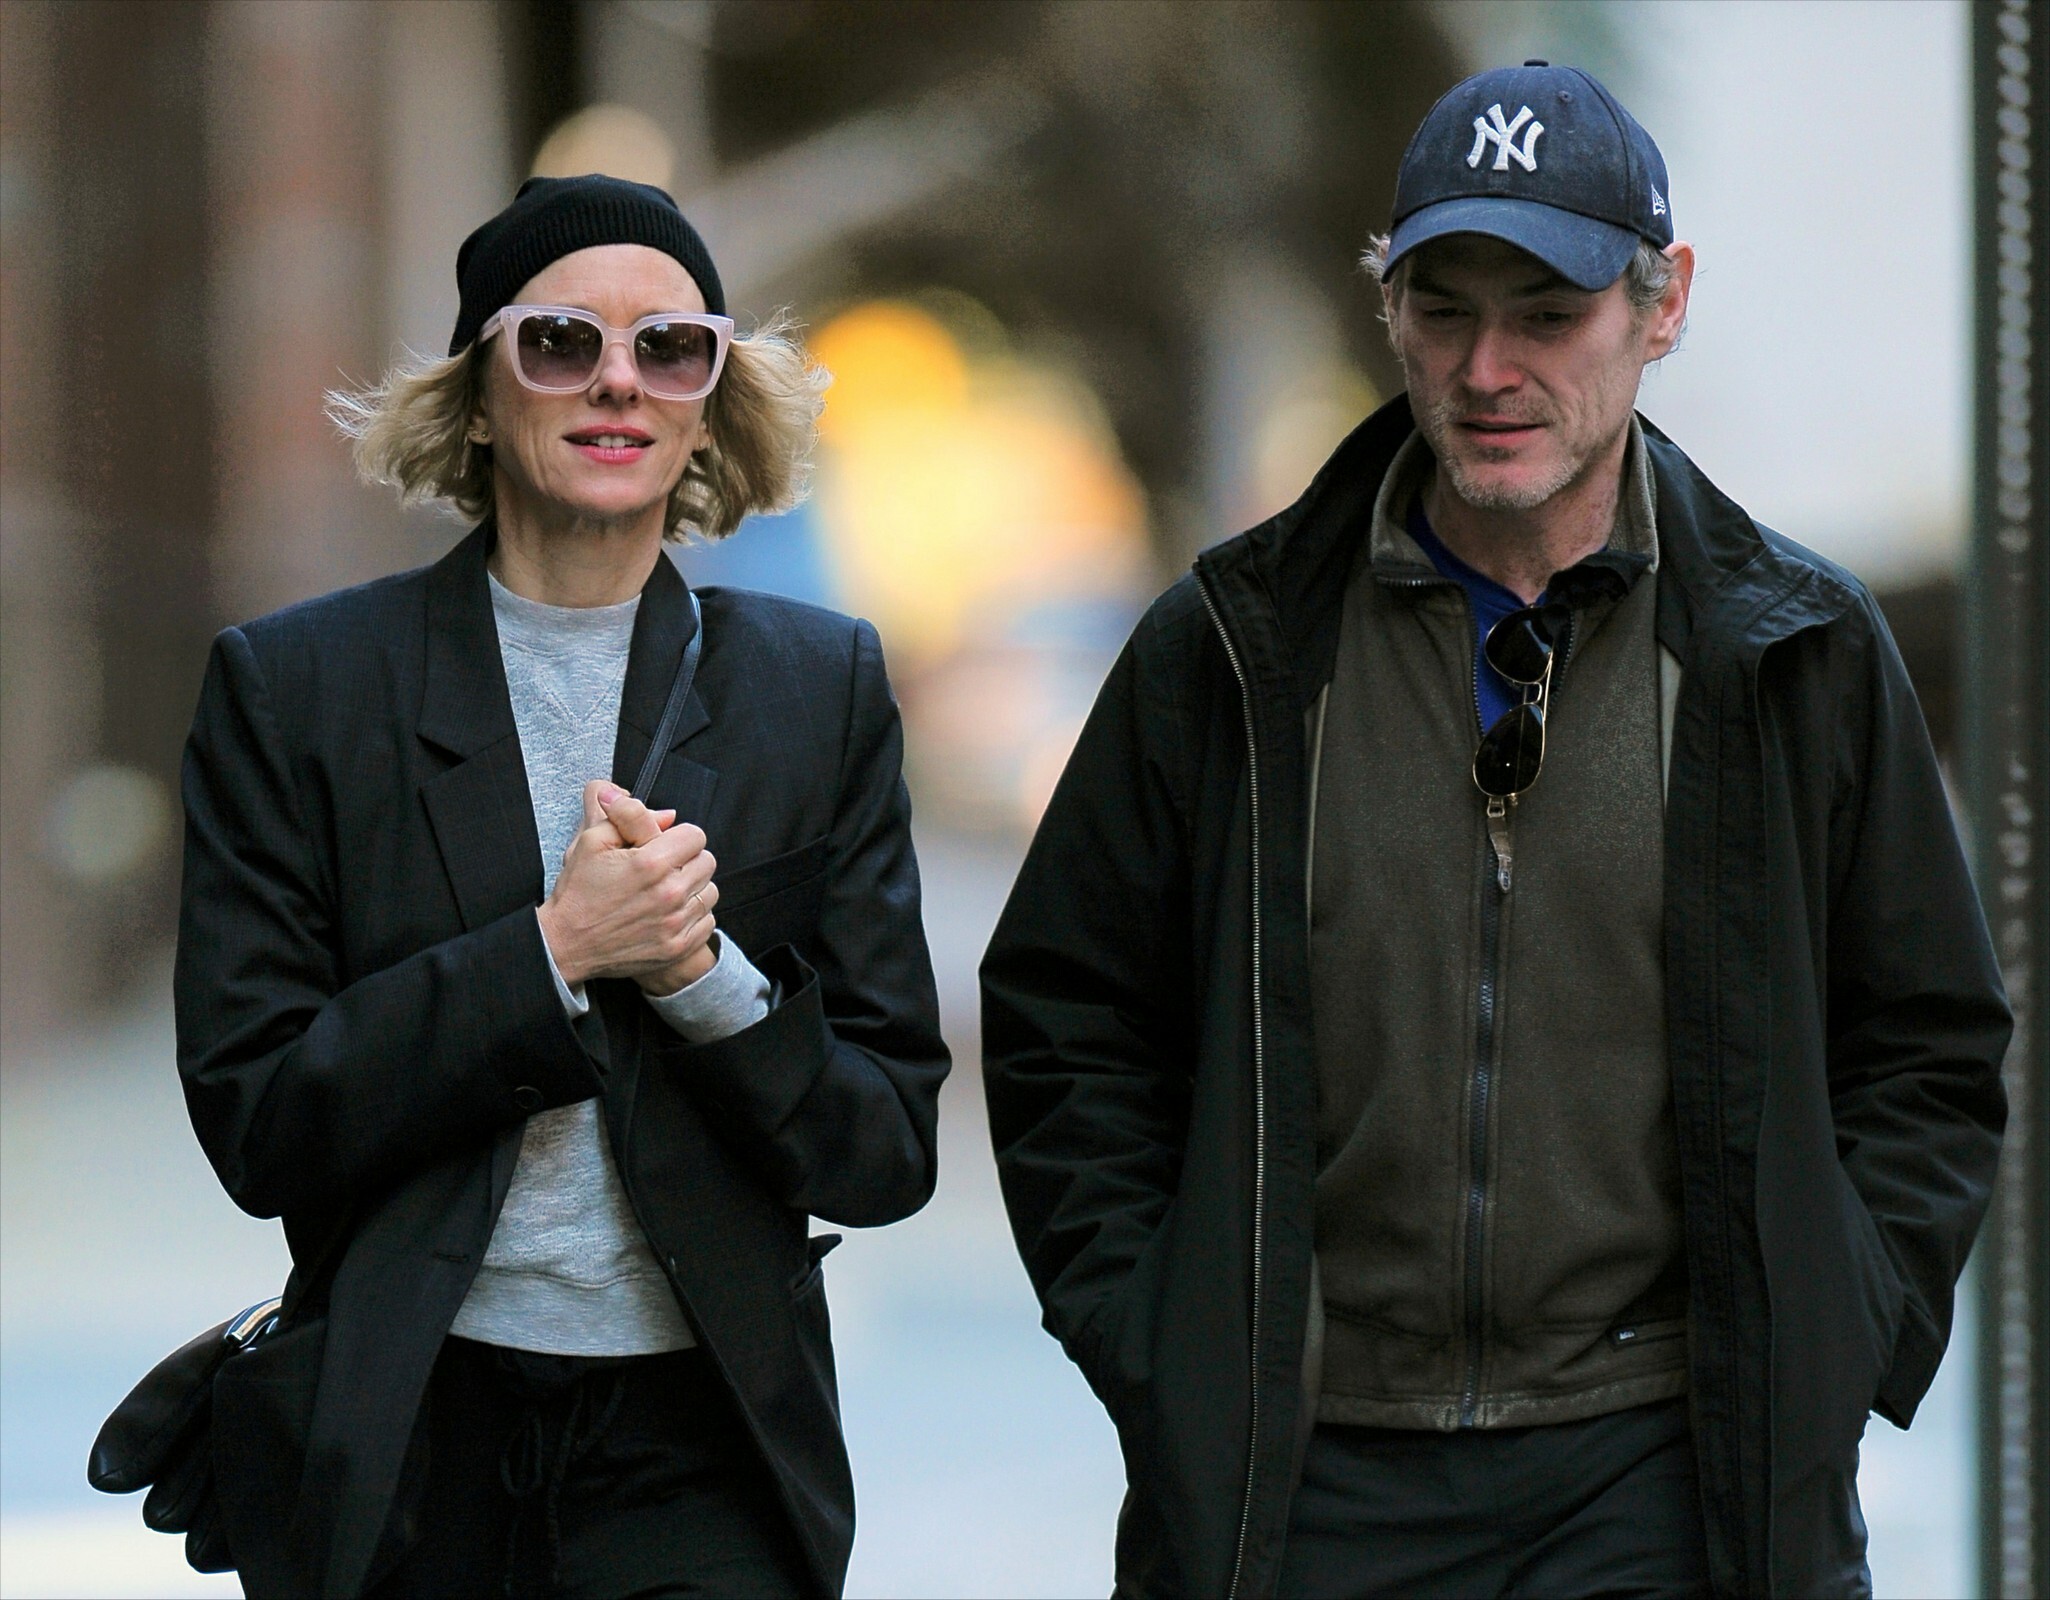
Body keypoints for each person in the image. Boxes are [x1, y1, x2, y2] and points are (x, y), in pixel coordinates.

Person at [980, 62, 2010, 1600]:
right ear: (1386, 308)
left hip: (1670, 1477)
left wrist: (1829, 1340)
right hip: (1302, 1478)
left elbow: (1925, 1044)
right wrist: (1162, 1347)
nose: (1485, 367)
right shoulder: (1235, 646)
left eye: (1545, 313)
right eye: (1442, 308)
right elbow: (1066, 1018)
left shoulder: (1792, 652)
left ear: (1661, 305)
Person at [176, 174, 947, 1600]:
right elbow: (259, 1121)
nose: (618, 380)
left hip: (707, 1442)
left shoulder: (816, 687)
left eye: (671, 348)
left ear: (708, 405)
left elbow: (884, 1150)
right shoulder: (296, 689)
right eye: (558, 340)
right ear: (478, 397)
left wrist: (702, 980)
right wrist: (548, 955)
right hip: (409, 1427)